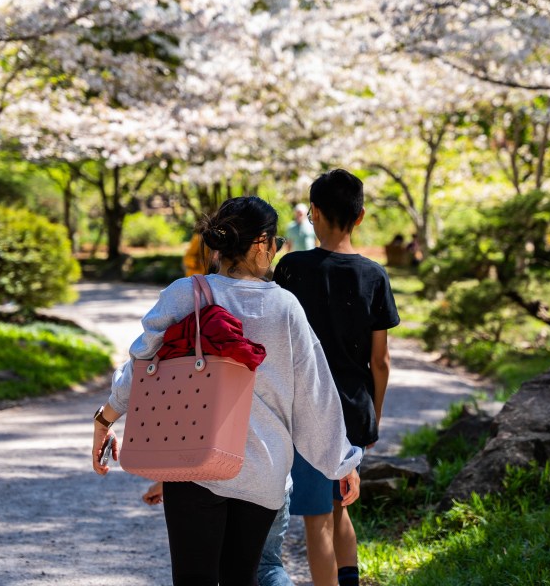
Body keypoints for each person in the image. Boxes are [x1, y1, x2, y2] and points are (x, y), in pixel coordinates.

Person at [92, 196, 363, 586]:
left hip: (192, 460)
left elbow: (140, 366)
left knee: (193, 578)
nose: (275, 251)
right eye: (277, 243)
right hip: (262, 470)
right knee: (242, 577)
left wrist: (106, 418)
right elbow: (314, 394)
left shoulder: (186, 293)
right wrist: (342, 462)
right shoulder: (285, 307)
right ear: (261, 244)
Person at [271, 170, 399, 586]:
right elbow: (380, 361)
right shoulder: (375, 276)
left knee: (317, 520)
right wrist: (373, 417)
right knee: (340, 505)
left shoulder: (291, 268)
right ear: (360, 217)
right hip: (354, 409)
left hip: (308, 411)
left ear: (314, 214)